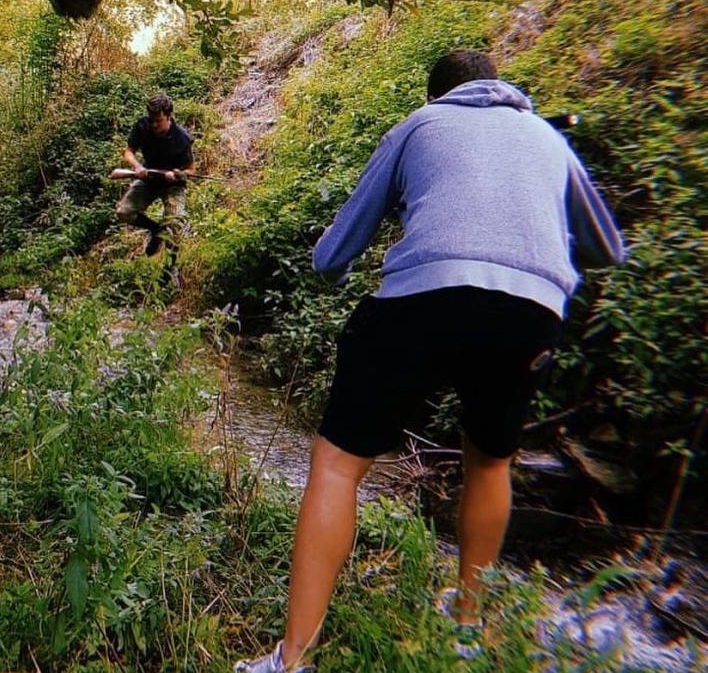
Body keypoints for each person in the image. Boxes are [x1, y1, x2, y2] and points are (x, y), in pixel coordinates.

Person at [234, 50, 625, 671]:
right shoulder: (548, 137)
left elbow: (333, 254)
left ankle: (292, 660)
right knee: (491, 459)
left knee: (337, 464)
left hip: (424, 298)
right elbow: (609, 249)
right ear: (501, 86)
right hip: (531, 315)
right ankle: (468, 624)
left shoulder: (419, 125)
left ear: (438, 94)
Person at [116, 93, 195, 268]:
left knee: (173, 224)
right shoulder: (143, 126)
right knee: (124, 212)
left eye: (158, 121)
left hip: (173, 185)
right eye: (151, 120)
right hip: (149, 179)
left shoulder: (182, 138)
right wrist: (137, 167)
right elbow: (128, 152)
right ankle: (155, 229)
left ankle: (170, 268)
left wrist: (177, 174)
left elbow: (191, 170)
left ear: (169, 116)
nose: (153, 125)